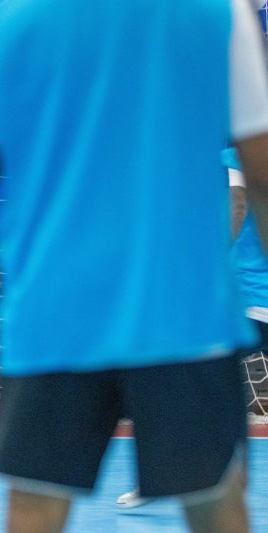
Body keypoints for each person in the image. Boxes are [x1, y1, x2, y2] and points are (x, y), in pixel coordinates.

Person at [0, 1, 268, 532]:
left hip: (55, 312)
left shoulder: (18, 17)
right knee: (216, 503)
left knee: (35, 510)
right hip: (184, 312)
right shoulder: (222, 15)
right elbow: (262, 178)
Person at [117, 148, 268, 510]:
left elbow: (236, 203)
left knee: (176, 380)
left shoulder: (240, 143)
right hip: (246, 296)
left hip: (246, 297)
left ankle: (159, 480)